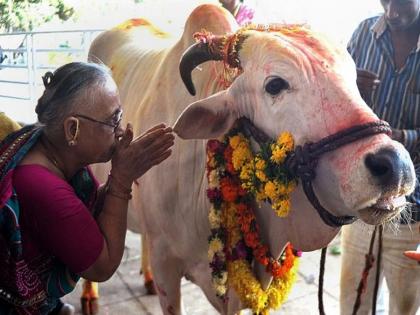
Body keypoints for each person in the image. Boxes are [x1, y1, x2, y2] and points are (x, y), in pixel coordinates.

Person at [0, 62, 175, 315]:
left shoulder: (52, 148)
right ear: (73, 129)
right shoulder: (42, 188)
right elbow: (101, 266)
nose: (121, 130)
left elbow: (85, 213)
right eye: (113, 120)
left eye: (121, 116)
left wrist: (121, 177)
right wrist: (121, 181)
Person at [340, 1, 420, 314]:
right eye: (385, 0)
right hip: (363, 197)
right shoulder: (363, 34)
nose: (391, 10)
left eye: (400, 2)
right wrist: (354, 93)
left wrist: (403, 137)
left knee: (404, 305)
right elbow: (336, 103)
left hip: (412, 206)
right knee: (354, 301)